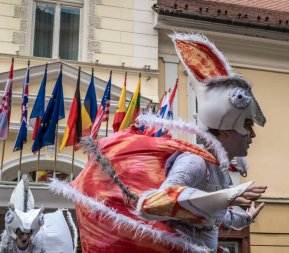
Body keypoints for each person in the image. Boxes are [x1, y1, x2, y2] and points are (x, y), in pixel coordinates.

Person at [49, 32, 267, 253]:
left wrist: (246, 218)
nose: (252, 137)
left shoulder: (218, 171)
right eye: (247, 128)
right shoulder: (195, 162)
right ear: (227, 132)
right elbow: (152, 203)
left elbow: (216, 216)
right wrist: (228, 196)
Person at [0, 175, 77, 253]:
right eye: (21, 233)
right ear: (15, 234)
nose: (25, 237)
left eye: (28, 233)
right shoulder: (7, 244)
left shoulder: (39, 243)